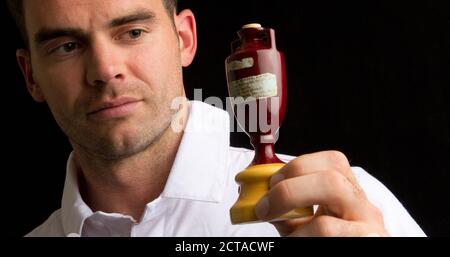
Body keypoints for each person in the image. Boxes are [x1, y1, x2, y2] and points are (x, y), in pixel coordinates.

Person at [7, 0, 425, 237]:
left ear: (184, 40)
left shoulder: (346, 208)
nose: (104, 69)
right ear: (31, 76)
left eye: (133, 32)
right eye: (65, 46)